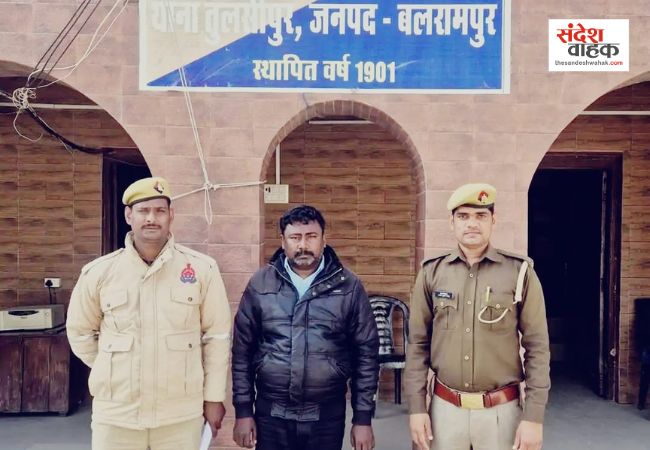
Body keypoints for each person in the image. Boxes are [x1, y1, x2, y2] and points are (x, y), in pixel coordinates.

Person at [66, 177, 231, 450]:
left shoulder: (202, 269)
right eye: (143, 211)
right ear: (128, 216)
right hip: (117, 414)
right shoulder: (99, 273)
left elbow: (217, 336)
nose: (151, 218)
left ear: (171, 215)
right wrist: (113, 366)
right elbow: (80, 333)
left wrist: (213, 397)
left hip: (179, 414)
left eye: (160, 211)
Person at [405, 183, 550, 450]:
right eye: (463, 216)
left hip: (501, 413)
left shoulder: (519, 273)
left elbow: (537, 348)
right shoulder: (431, 273)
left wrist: (533, 417)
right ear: (451, 223)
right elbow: (417, 345)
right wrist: (416, 408)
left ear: (493, 220)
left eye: (480, 215)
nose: (472, 223)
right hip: (445, 411)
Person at [231, 205, 379, 450]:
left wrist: (363, 418)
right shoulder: (261, 284)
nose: (303, 245)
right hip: (271, 414)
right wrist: (243, 411)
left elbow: (366, 354)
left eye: (311, 236)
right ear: (283, 241)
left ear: (323, 240)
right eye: (295, 237)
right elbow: (242, 352)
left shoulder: (349, 286)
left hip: (326, 416)